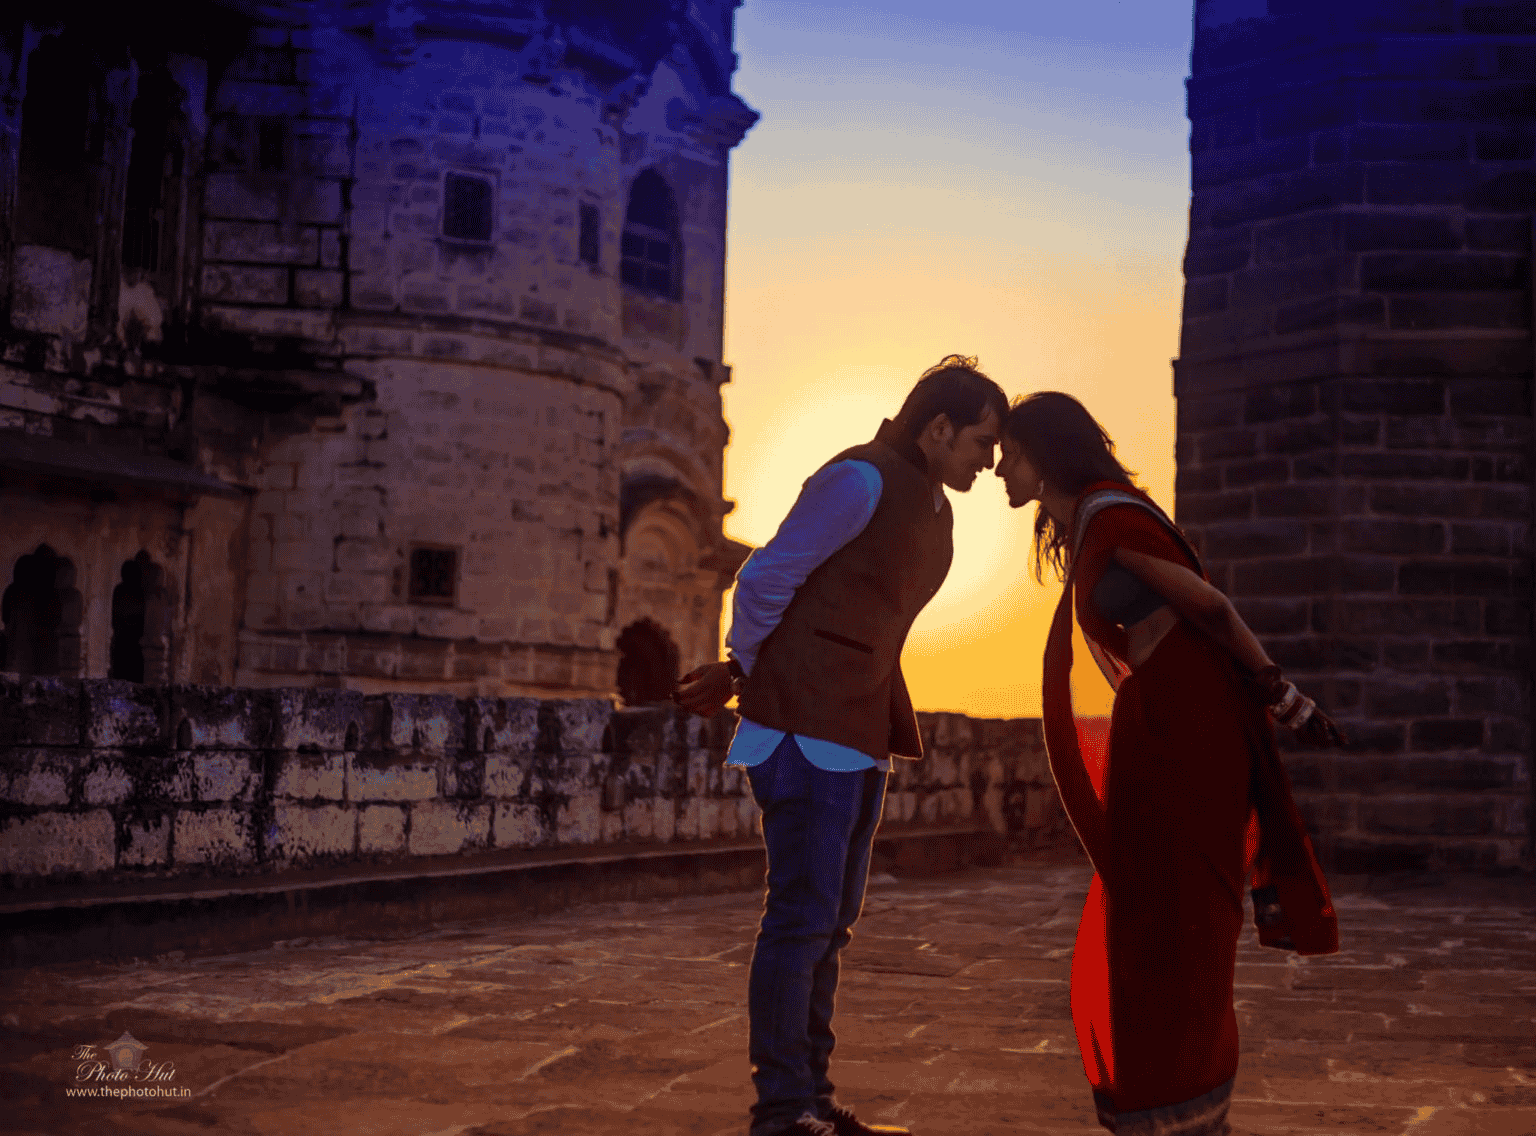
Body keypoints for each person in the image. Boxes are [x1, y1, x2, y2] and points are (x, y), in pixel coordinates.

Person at [994, 391, 1346, 1136]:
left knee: (1176, 921)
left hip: (1186, 734)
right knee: (1159, 919)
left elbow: (1211, 609)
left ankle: (1182, 1109)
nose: (1000, 467)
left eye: (1012, 452)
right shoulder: (1092, 521)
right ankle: (1173, 1105)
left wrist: (1286, 699)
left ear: (1046, 453)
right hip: (1165, 729)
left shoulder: (1114, 517)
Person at [673, 356, 1008, 1136]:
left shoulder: (932, 504)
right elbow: (763, 580)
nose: (989, 463)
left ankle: (814, 1100)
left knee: (832, 924)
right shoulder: (857, 481)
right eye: (982, 444)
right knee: (799, 919)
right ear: (938, 428)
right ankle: (782, 1109)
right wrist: (752, 672)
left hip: (858, 731)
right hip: (801, 730)